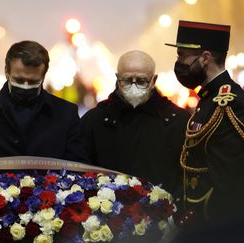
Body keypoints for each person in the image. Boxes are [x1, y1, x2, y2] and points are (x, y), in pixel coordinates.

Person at [166, 20, 244, 241]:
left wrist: (203, 225)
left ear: (205, 57)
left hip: (217, 226)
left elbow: (229, 178)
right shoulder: (209, 98)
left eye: (182, 55)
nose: (178, 62)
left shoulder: (229, 102)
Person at [81, 50, 190, 195]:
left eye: (141, 81)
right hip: (106, 214)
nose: (133, 86)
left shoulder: (177, 121)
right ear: (117, 78)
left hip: (164, 213)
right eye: (127, 80)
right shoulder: (94, 121)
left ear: (153, 80)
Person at [0, 40, 87, 162]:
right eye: (19, 80)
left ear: (43, 77)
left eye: (33, 81)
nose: (25, 86)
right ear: (7, 71)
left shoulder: (66, 114)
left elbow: (77, 170)